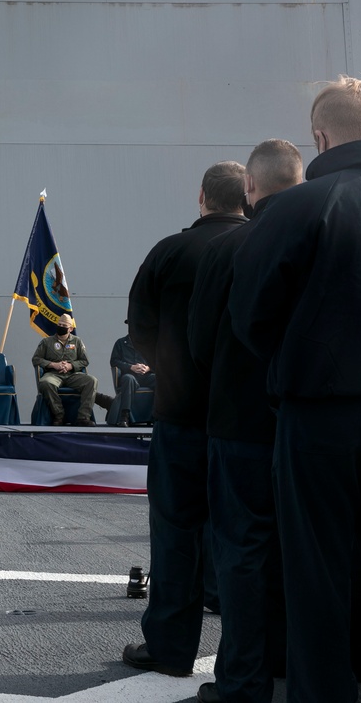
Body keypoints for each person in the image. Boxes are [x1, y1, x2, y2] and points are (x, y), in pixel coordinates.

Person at [229, 76, 361, 703]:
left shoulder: (293, 209)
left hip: (320, 417)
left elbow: (252, 317)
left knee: (317, 570)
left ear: (319, 136)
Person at [122, 160, 248, 678]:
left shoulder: (169, 251)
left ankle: (171, 646)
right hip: (245, 417)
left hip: (178, 412)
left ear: (202, 198)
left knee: (175, 530)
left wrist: (174, 369)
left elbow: (140, 330)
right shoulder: (260, 244)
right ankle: (251, 655)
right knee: (244, 534)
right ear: (248, 195)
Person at [188, 139, 302, 703]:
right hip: (312, 419)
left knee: (242, 553)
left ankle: (243, 680)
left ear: (250, 189)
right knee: (315, 548)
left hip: (239, 421)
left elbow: (202, 342)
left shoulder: (231, 246)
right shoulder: (333, 229)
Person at [31, 314, 98, 426]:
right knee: (45, 383)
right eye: (59, 324)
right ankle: (59, 415)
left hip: (72, 374)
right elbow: (36, 359)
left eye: (64, 325)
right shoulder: (47, 341)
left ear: (70, 328)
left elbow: (84, 361)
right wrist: (53, 365)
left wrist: (71, 365)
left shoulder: (77, 342)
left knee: (92, 381)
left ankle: (83, 417)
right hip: (54, 374)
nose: (61, 327)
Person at [109, 330, 155, 426]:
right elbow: (114, 361)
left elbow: (157, 360)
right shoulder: (121, 343)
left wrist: (148, 368)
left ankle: (157, 416)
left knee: (160, 380)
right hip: (130, 375)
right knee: (128, 379)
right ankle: (125, 416)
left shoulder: (150, 343)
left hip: (146, 376)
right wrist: (131, 367)